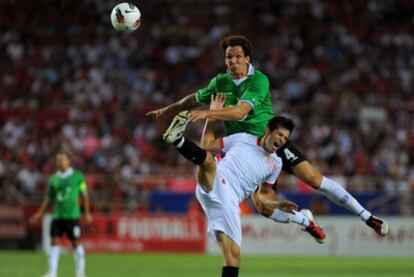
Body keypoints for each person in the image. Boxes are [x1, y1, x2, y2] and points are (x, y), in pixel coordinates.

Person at [146, 34, 389, 237]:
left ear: (247, 59)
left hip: (270, 141)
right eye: (228, 57)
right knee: (262, 206)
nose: (232, 61)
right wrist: (169, 109)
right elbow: (193, 98)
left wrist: (208, 113)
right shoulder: (220, 81)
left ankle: (367, 217)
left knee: (314, 180)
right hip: (242, 149)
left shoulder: (259, 80)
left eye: (237, 57)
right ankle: (304, 221)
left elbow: (241, 112)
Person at [163, 94, 325, 277]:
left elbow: (262, 196)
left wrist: (276, 203)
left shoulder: (276, 164)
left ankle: (303, 220)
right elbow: (207, 145)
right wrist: (213, 114)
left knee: (233, 257)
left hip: (229, 200)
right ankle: (177, 139)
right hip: (218, 179)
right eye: (279, 134)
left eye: (285, 138)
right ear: (268, 130)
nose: (281, 140)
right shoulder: (243, 138)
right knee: (207, 161)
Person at [30, 151, 92, 277]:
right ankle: (52, 273)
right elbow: (48, 199)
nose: (60, 162)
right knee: (54, 243)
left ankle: (80, 272)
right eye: (58, 159)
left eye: (62, 159)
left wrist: (87, 213)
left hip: (72, 216)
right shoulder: (53, 179)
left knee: (76, 243)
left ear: (69, 161)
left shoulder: (78, 176)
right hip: (57, 216)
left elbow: (84, 195)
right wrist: (40, 213)